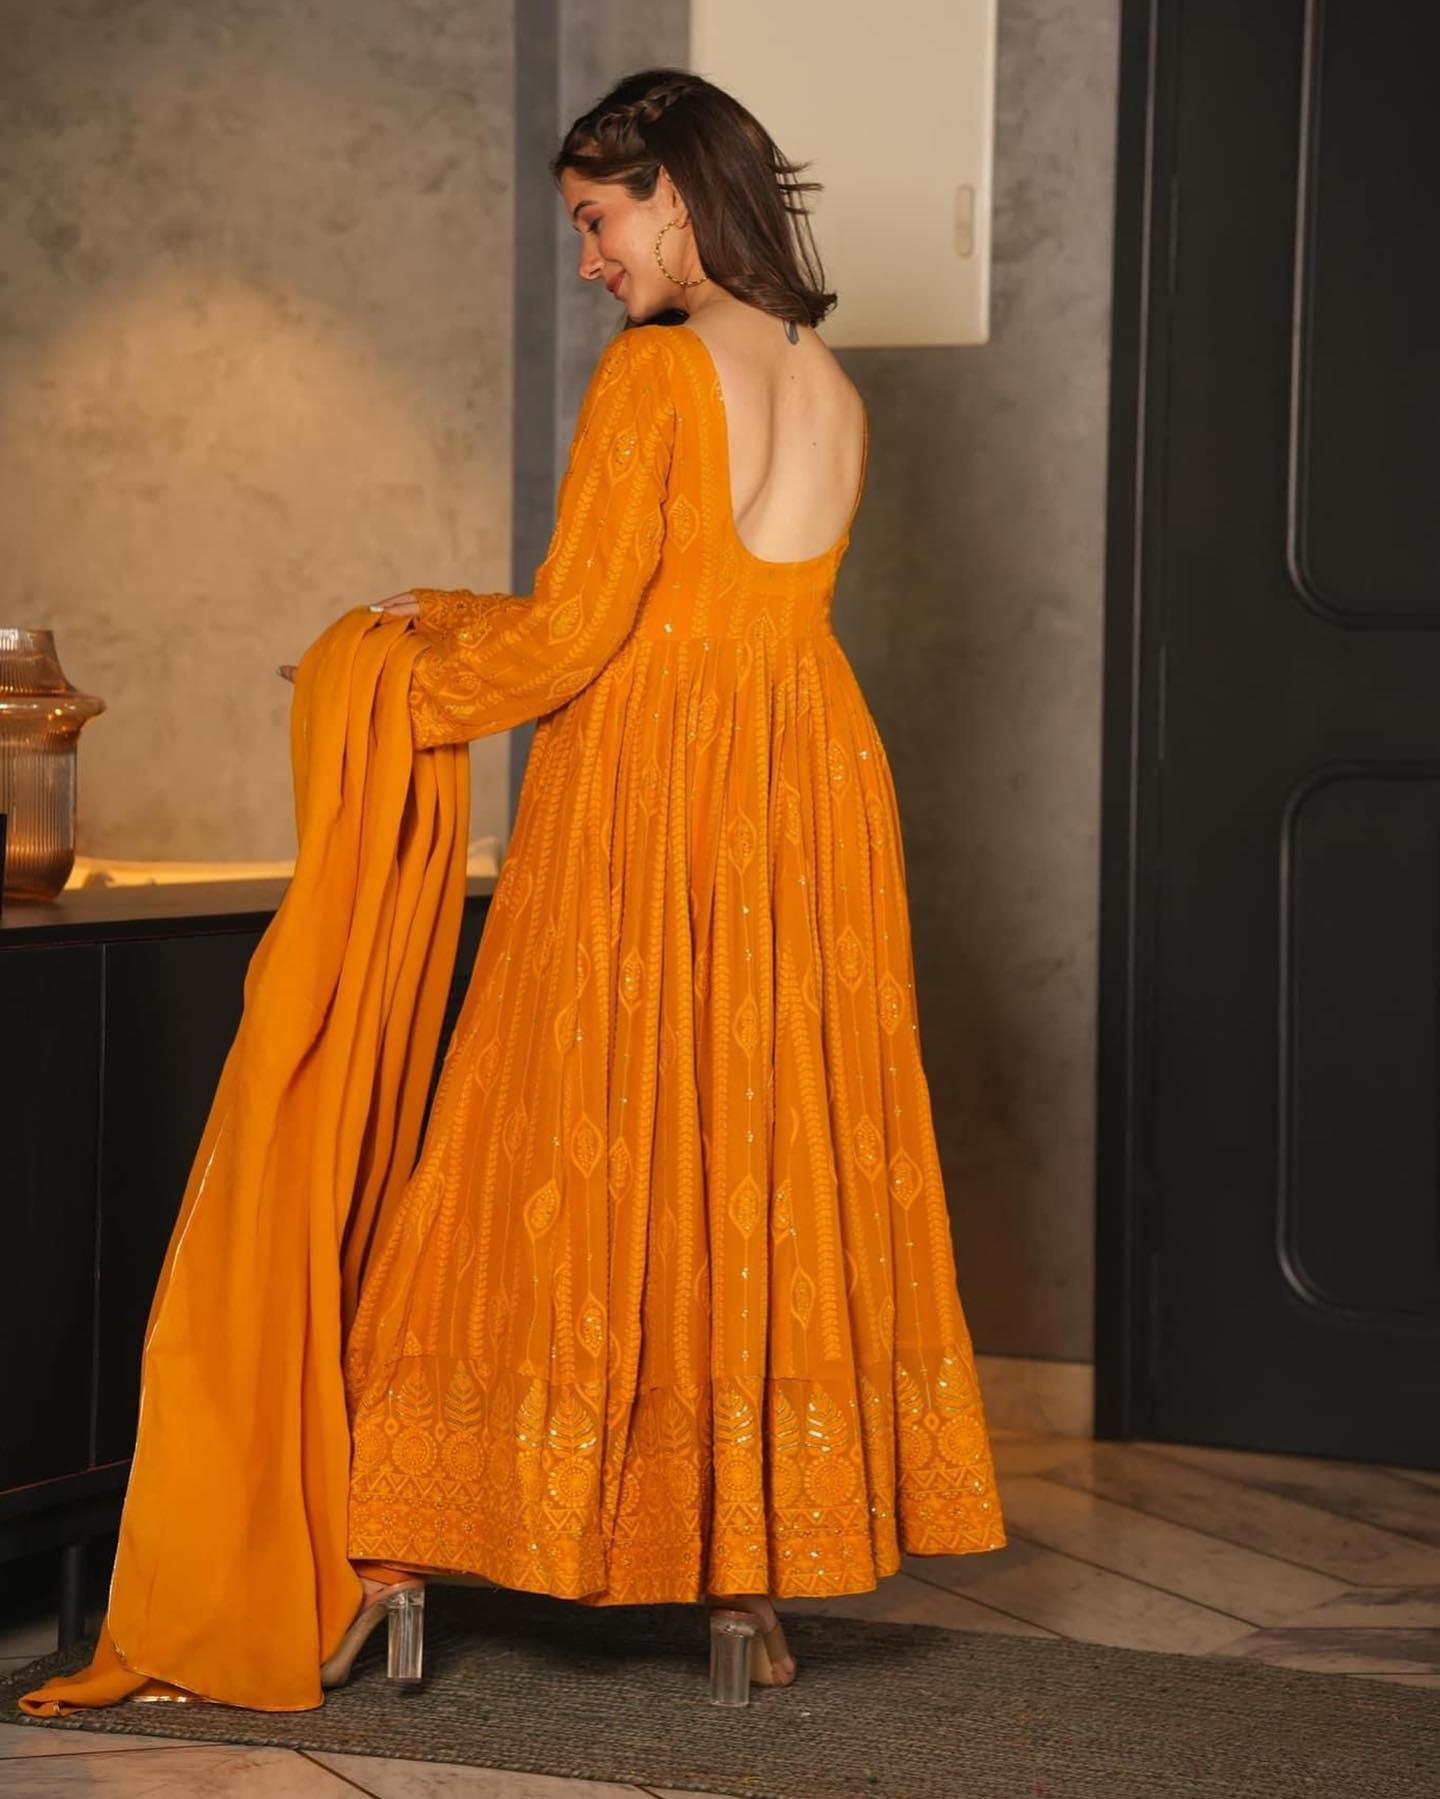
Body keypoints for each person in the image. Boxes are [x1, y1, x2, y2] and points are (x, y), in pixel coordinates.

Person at [20, 64, 1004, 1721]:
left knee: (541, 1148)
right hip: (806, 786)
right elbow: (705, 605)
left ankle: (389, 1554)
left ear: (676, 197)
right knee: (747, 1158)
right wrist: (478, 615)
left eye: (599, 220)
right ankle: (743, 1580)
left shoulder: (656, 379)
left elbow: (578, 641)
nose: (591, 259)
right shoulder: (831, 387)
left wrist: (387, 661)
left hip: (653, 797)